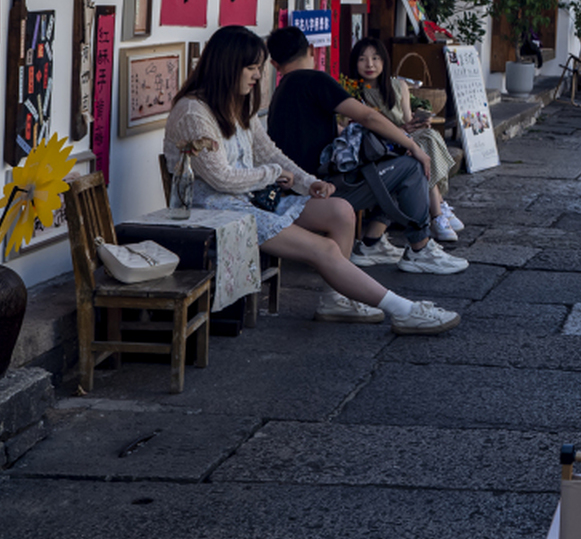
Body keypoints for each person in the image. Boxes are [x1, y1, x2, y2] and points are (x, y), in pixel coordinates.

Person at [163, 26, 458, 334]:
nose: (256, 76)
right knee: (324, 250)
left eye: (259, 68)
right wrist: (276, 176)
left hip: (251, 198)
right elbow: (222, 178)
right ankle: (404, 310)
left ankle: (336, 300)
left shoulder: (237, 105)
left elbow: (269, 153)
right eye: (251, 68)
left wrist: (306, 182)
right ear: (227, 66)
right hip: (219, 211)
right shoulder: (193, 112)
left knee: (340, 210)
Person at [264, 26, 467, 275]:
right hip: (320, 190)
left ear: (274, 63)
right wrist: (412, 144)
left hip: (298, 189)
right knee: (410, 167)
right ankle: (420, 249)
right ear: (311, 50)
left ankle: (373, 243)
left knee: (393, 164)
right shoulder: (314, 79)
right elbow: (368, 117)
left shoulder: (281, 92)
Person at [346, 37, 462, 244]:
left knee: (428, 135)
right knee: (422, 145)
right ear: (355, 63)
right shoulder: (354, 92)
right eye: (362, 59)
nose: (370, 64)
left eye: (375, 58)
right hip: (380, 145)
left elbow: (407, 119)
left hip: (405, 139)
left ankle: (437, 212)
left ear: (384, 61)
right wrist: (400, 131)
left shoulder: (398, 85)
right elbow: (360, 130)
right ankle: (438, 213)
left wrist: (418, 123)